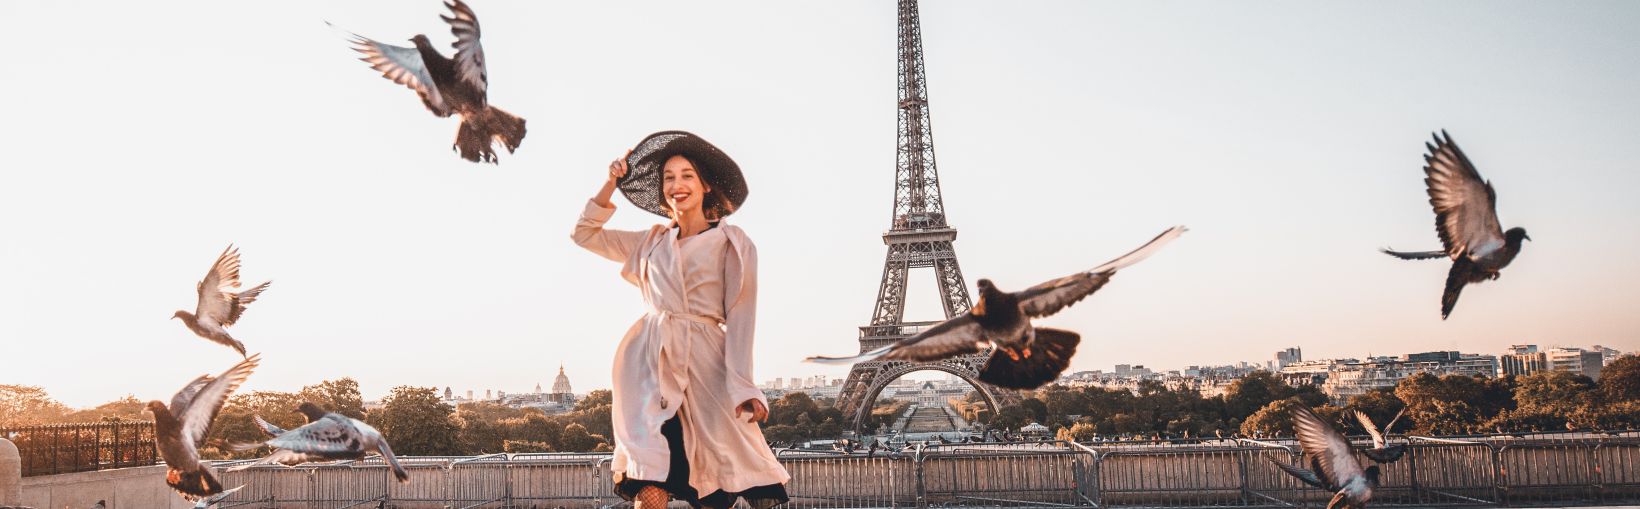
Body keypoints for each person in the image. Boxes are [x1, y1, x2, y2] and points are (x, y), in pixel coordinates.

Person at [570, 131, 790, 509]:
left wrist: (743, 385)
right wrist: (611, 182)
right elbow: (583, 234)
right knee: (649, 482)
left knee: (724, 481)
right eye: (669, 178)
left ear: (705, 186)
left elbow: (741, 315)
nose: (677, 184)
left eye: (687, 175)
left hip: (707, 369)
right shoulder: (648, 241)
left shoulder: (732, 242)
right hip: (651, 368)